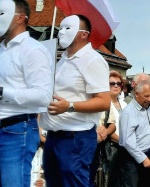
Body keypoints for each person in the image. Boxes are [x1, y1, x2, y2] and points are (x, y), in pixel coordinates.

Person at [0, 0, 53, 187]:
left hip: (15, 131)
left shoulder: (33, 50)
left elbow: (43, 96)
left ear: (20, 17)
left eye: (1, 13)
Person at [40, 14, 110, 187]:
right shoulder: (61, 59)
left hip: (76, 138)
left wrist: (69, 106)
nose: (61, 32)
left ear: (84, 34)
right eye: (60, 28)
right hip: (54, 137)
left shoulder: (93, 60)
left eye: (67, 28)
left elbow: (103, 102)